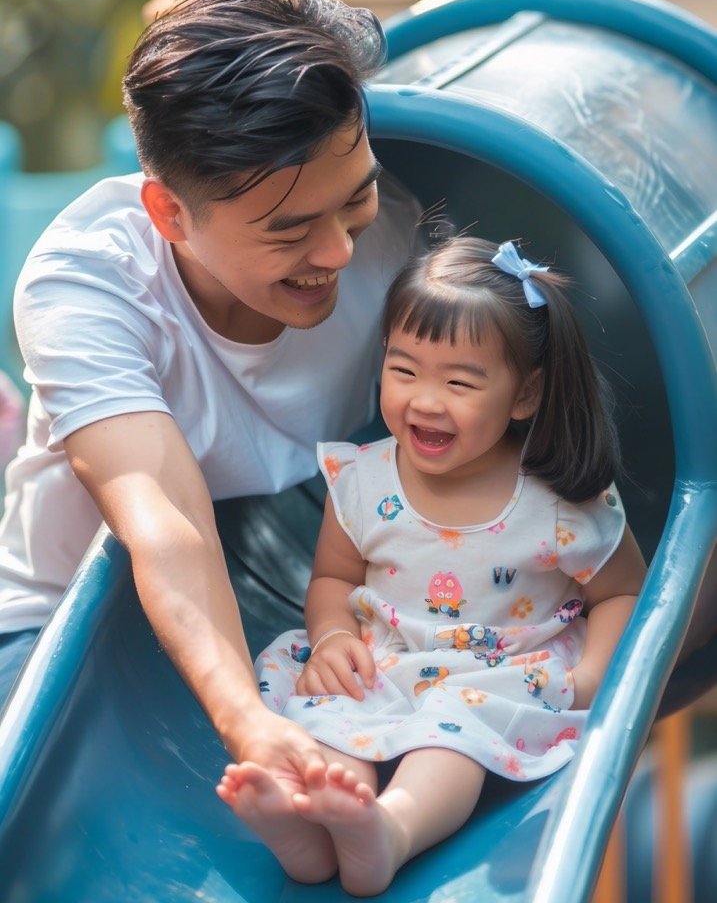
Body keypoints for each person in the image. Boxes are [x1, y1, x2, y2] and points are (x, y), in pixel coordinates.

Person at [0, 0, 420, 809]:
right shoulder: (89, 282)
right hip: (70, 618)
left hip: (298, 577)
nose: (338, 250)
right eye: (290, 230)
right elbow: (162, 522)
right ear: (169, 215)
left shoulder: (400, 225)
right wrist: (246, 721)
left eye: (356, 200)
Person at [217, 235, 647, 896]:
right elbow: (334, 578)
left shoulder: (558, 503)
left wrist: (593, 675)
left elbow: (622, 592)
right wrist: (332, 636)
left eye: (457, 381)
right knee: (334, 720)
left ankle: (390, 829)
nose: (423, 399)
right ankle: (314, 825)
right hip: (382, 660)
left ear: (524, 394)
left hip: (498, 677)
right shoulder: (362, 482)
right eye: (403, 369)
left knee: (452, 744)